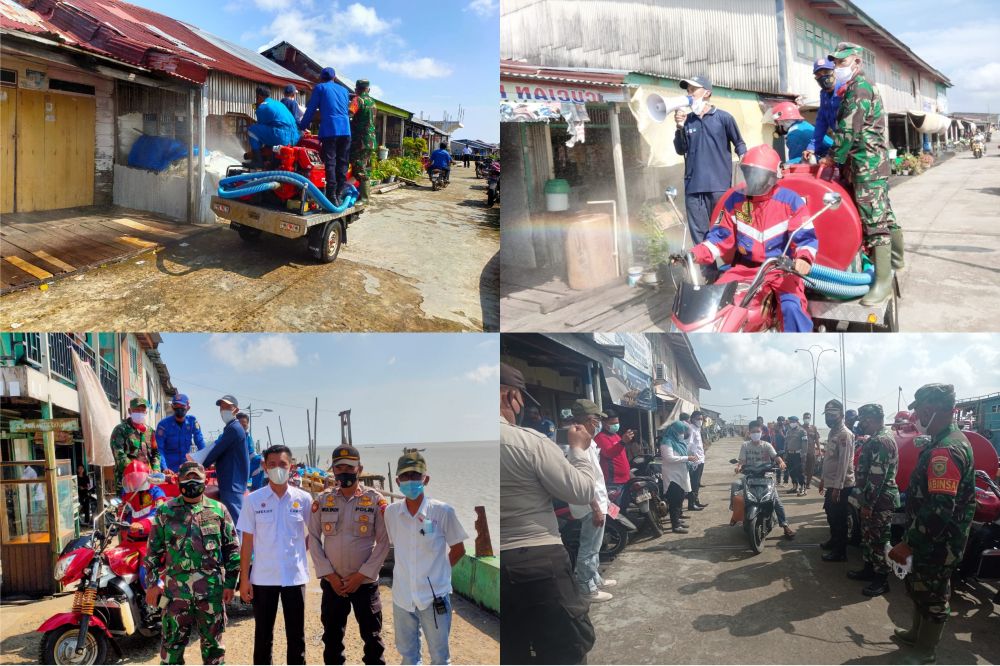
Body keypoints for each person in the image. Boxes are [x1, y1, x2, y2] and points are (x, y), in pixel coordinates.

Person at [499, 364, 597, 665]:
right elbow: (581, 491)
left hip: (492, 563)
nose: (522, 407)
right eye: (520, 399)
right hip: (538, 560)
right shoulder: (529, 442)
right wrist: (578, 450)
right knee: (562, 650)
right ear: (509, 395)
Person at [888, 384, 976, 663]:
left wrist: (909, 542)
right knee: (920, 587)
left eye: (917, 410)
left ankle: (926, 652)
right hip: (931, 539)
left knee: (934, 596)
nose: (915, 417)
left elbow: (940, 508)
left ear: (929, 409)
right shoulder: (941, 442)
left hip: (938, 543)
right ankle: (916, 634)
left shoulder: (946, 450)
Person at [689, 144, 818, 332]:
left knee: (791, 307)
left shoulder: (790, 201)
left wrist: (804, 258)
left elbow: (805, 237)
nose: (751, 180)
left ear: (772, 177)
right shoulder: (735, 200)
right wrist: (695, 254)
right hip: (744, 269)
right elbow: (720, 237)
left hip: (781, 270)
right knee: (714, 301)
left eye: (757, 175)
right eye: (748, 173)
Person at [818, 42, 901, 301]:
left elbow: (846, 131)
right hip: (868, 164)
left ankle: (883, 282)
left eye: (842, 63)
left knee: (874, 222)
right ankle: (897, 262)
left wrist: (831, 159)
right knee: (883, 213)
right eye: (836, 63)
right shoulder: (852, 88)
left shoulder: (859, 89)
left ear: (857, 62)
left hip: (867, 165)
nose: (837, 68)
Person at [144, 461, 239, 665]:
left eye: (196, 478)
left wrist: (231, 584)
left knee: (214, 649)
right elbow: (152, 553)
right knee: (171, 650)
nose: (191, 482)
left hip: (211, 594)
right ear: (179, 481)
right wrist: (152, 584)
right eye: (187, 478)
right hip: (176, 596)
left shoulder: (218, 510)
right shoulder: (165, 512)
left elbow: (232, 549)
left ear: (205, 481)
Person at [383, 449, 467, 666]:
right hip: (402, 596)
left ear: (425, 479)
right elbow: (395, 546)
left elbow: (458, 549)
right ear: (397, 480)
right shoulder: (391, 513)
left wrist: (439, 572)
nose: (410, 481)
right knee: (408, 656)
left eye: (415, 476)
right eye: (405, 476)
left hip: (434, 597)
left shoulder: (442, 512)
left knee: (440, 657)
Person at [308, 445, 390, 665]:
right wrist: (329, 575)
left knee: (372, 639)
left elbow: (384, 541)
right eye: (339, 467)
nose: (344, 471)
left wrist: (361, 576)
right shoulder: (323, 501)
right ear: (333, 470)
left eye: (349, 467)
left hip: (364, 583)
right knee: (332, 639)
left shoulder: (375, 500)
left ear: (359, 469)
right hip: (333, 583)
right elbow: (313, 539)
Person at [237, 444, 312, 665]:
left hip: (294, 577)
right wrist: (244, 580)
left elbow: (315, 535)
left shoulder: (304, 499)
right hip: (263, 578)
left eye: (282, 464)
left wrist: (299, 551)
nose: (277, 469)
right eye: (272, 465)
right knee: (262, 637)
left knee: (296, 637)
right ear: (264, 467)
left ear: (291, 467)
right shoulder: (253, 500)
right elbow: (247, 543)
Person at [673, 74, 747, 246]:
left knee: (724, 230)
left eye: (693, 90)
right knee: (700, 236)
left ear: (706, 93)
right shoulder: (687, 121)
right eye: (688, 91)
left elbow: (739, 143)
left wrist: (744, 157)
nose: (689, 94)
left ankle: (731, 269)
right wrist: (679, 127)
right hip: (694, 188)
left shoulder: (723, 118)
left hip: (719, 187)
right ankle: (709, 272)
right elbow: (680, 149)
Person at [848, 403, 900, 597]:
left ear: (869, 419)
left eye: (862, 420)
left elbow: (877, 477)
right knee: (868, 536)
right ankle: (869, 569)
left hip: (879, 501)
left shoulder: (882, 441)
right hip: (872, 499)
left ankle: (881, 580)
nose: (861, 424)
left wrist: (868, 504)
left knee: (879, 539)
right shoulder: (876, 439)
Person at [568, 399, 615, 601]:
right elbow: (584, 483)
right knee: (588, 547)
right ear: (589, 419)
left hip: (597, 502)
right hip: (590, 505)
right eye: (596, 419)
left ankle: (594, 578)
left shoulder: (587, 441)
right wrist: (596, 508)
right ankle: (587, 588)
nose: (598, 424)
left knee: (595, 546)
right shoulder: (577, 445)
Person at [733, 422, 796, 538]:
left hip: (766, 476)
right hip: (750, 476)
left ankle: (785, 525)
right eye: (753, 432)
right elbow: (741, 461)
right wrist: (738, 467)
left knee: (776, 501)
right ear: (749, 433)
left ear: (761, 433)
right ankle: (735, 516)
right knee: (735, 487)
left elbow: (775, 456)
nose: (755, 434)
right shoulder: (745, 445)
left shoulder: (766, 445)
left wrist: (781, 462)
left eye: (758, 431)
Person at [300, 67, 352, 206]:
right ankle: (339, 194)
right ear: (334, 77)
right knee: (342, 162)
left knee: (330, 162)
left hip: (330, 130)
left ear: (321, 78)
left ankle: (331, 195)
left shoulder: (320, 88)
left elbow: (311, 109)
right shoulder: (344, 90)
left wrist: (302, 125)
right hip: (346, 130)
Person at [202, 395, 250, 530]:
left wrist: (201, 465)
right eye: (221, 408)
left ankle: (241, 550)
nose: (224, 410)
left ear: (236, 409)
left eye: (228, 407)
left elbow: (217, 450)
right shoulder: (231, 428)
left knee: (236, 522)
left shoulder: (234, 429)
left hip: (232, 483)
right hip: (230, 481)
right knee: (230, 520)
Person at [818, 399, 856, 562]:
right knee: (830, 512)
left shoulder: (844, 434)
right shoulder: (832, 432)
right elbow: (829, 459)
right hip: (831, 482)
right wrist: (822, 479)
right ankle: (834, 540)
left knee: (839, 518)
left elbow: (843, 463)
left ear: (841, 415)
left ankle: (840, 552)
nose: (829, 418)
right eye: (827, 415)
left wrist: (837, 488)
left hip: (841, 484)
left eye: (832, 415)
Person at [111, 397, 160, 494]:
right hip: (127, 482)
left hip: (147, 481)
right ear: (130, 411)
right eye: (137, 410)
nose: (140, 413)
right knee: (128, 508)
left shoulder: (150, 432)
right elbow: (119, 455)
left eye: (143, 410)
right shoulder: (121, 430)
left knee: (148, 508)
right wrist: (137, 471)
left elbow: (156, 453)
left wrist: (156, 469)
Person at [659, 420, 697, 534]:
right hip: (672, 476)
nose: (683, 434)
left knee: (680, 498)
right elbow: (669, 458)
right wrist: (687, 458)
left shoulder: (679, 442)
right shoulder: (667, 442)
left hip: (681, 474)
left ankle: (678, 520)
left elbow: (683, 454)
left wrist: (689, 459)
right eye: (681, 431)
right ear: (674, 431)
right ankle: (675, 526)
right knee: (674, 500)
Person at [248, 85, 300, 167]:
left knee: (252, 130)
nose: (256, 101)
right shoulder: (278, 103)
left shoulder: (262, 107)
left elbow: (261, 130)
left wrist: (257, 150)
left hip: (282, 136)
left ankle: (258, 161)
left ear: (259, 96)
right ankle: (272, 161)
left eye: (256, 98)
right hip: (295, 138)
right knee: (271, 131)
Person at [801, 57, 841, 164]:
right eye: (818, 75)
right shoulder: (823, 94)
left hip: (856, 146)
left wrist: (832, 156)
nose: (823, 77)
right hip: (841, 146)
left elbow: (849, 129)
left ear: (834, 72)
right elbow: (821, 122)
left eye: (826, 72)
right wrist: (812, 147)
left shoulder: (845, 90)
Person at [155, 393, 205, 474]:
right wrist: (164, 468)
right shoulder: (163, 425)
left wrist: (204, 462)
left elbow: (200, 442)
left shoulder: (192, 421)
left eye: (182, 406)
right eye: (176, 406)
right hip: (169, 470)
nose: (179, 408)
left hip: (187, 469)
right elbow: (159, 449)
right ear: (172, 407)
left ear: (188, 407)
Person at [349, 79, 377, 204]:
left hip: (359, 140)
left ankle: (365, 198)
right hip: (370, 140)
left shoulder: (357, 100)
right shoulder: (373, 102)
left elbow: (349, 113)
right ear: (368, 89)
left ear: (356, 89)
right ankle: (352, 191)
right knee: (361, 166)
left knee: (359, 168)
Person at [594, 409, 636, 492]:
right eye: (613, 423)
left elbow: (622, 458)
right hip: (613, 483)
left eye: (617, 423)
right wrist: (623, 442)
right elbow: (609, 453)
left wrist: (629, 474)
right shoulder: (600, 438)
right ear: (604, 423)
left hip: (625, 481)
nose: (616, 425)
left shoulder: (616, 436)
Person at [687, 411, 709, 510]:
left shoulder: (697, 428)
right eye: (698, 419)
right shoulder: (691, 428)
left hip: (700, 459)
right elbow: (689, 445)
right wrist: (693, 456)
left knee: (697, 483)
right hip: (695, 460)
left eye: (701, 419)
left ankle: (696, 501)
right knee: (694, 483)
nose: (700, 421)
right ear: (692, 419)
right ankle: (691, 504)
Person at [783, 416, 807, 495]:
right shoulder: (788, 431)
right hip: (789, 454)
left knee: (799, 472)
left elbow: (804, 444)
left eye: (792, 421)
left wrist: (803, 455)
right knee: (791, 471)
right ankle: (794, 487)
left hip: (798, 455)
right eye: (790, 421)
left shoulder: (802, 431)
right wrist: (785, 454)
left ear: (797, 421)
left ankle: (803, 488)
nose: (791, 423)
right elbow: (786, 443)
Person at [803, 412, 821, 490]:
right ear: (803, 418)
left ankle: (808, 484)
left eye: (808, 417)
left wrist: (819, 450)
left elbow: (816, 439)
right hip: (802, 453)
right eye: (805, 417)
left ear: (810, 418)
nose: (807, 418)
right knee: (802, 469)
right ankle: (802, 483)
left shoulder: (813, 428)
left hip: (811, 452)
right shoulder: (800, 428)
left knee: (811, 469)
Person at [773, 416, 788, 485]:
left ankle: (785, 481)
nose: (781, 422)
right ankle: (778, 480)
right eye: (779, 420)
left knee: (786, 465)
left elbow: (787, 439)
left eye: (782, 420)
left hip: (785, 450)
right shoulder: (775, 429)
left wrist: (782, 434)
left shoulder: (787, 429)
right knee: (777, 466)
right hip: (777, 450)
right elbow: (773, 439)